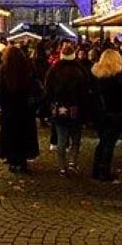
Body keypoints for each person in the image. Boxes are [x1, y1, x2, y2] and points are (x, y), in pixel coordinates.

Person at [44, 43, 91, 176]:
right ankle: (72, 163)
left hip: (59, 108)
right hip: (76, 109)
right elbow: (86, 91)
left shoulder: (54, 69)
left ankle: (62, 167)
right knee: (76, 138)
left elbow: (48, 89)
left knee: (61, 138)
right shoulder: (81, 70)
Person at [0, 45, 40, 173]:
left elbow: (0, 90)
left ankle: (12, 160)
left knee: (10, 134)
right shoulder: (27, 68)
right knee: (24, 134)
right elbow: (34, 87)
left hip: (9, 108)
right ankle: (22, 161)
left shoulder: (3, 69)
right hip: (24, 108)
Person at [90, 48, 122, 182]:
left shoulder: (96, 75)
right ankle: (104, 171)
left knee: (103, 142)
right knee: (109, 144)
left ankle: (96, 169)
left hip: (99, 114)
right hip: (114, 113)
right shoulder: (118, 78)